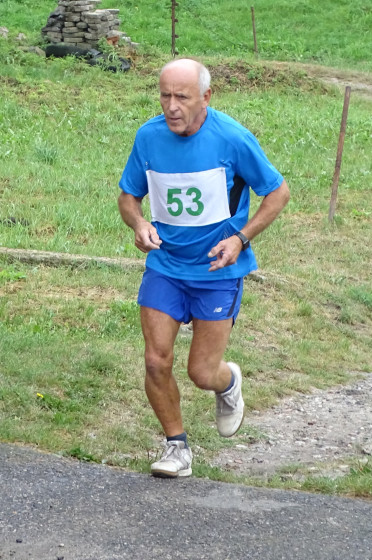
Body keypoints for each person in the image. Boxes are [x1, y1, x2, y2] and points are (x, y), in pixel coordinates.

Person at [117, 58, 290, 478]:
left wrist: (241, 238)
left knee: (200, 372)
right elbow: (128, 196)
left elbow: (278, 193)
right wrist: (139, 224)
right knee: (157, 361)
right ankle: (176, 446)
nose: (171, 106)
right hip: (166, 266)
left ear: (206, 97)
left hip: (217, 272)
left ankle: (227, 383)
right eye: (165, 96)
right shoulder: (149, 137)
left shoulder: (231, 138)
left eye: (182, 97)